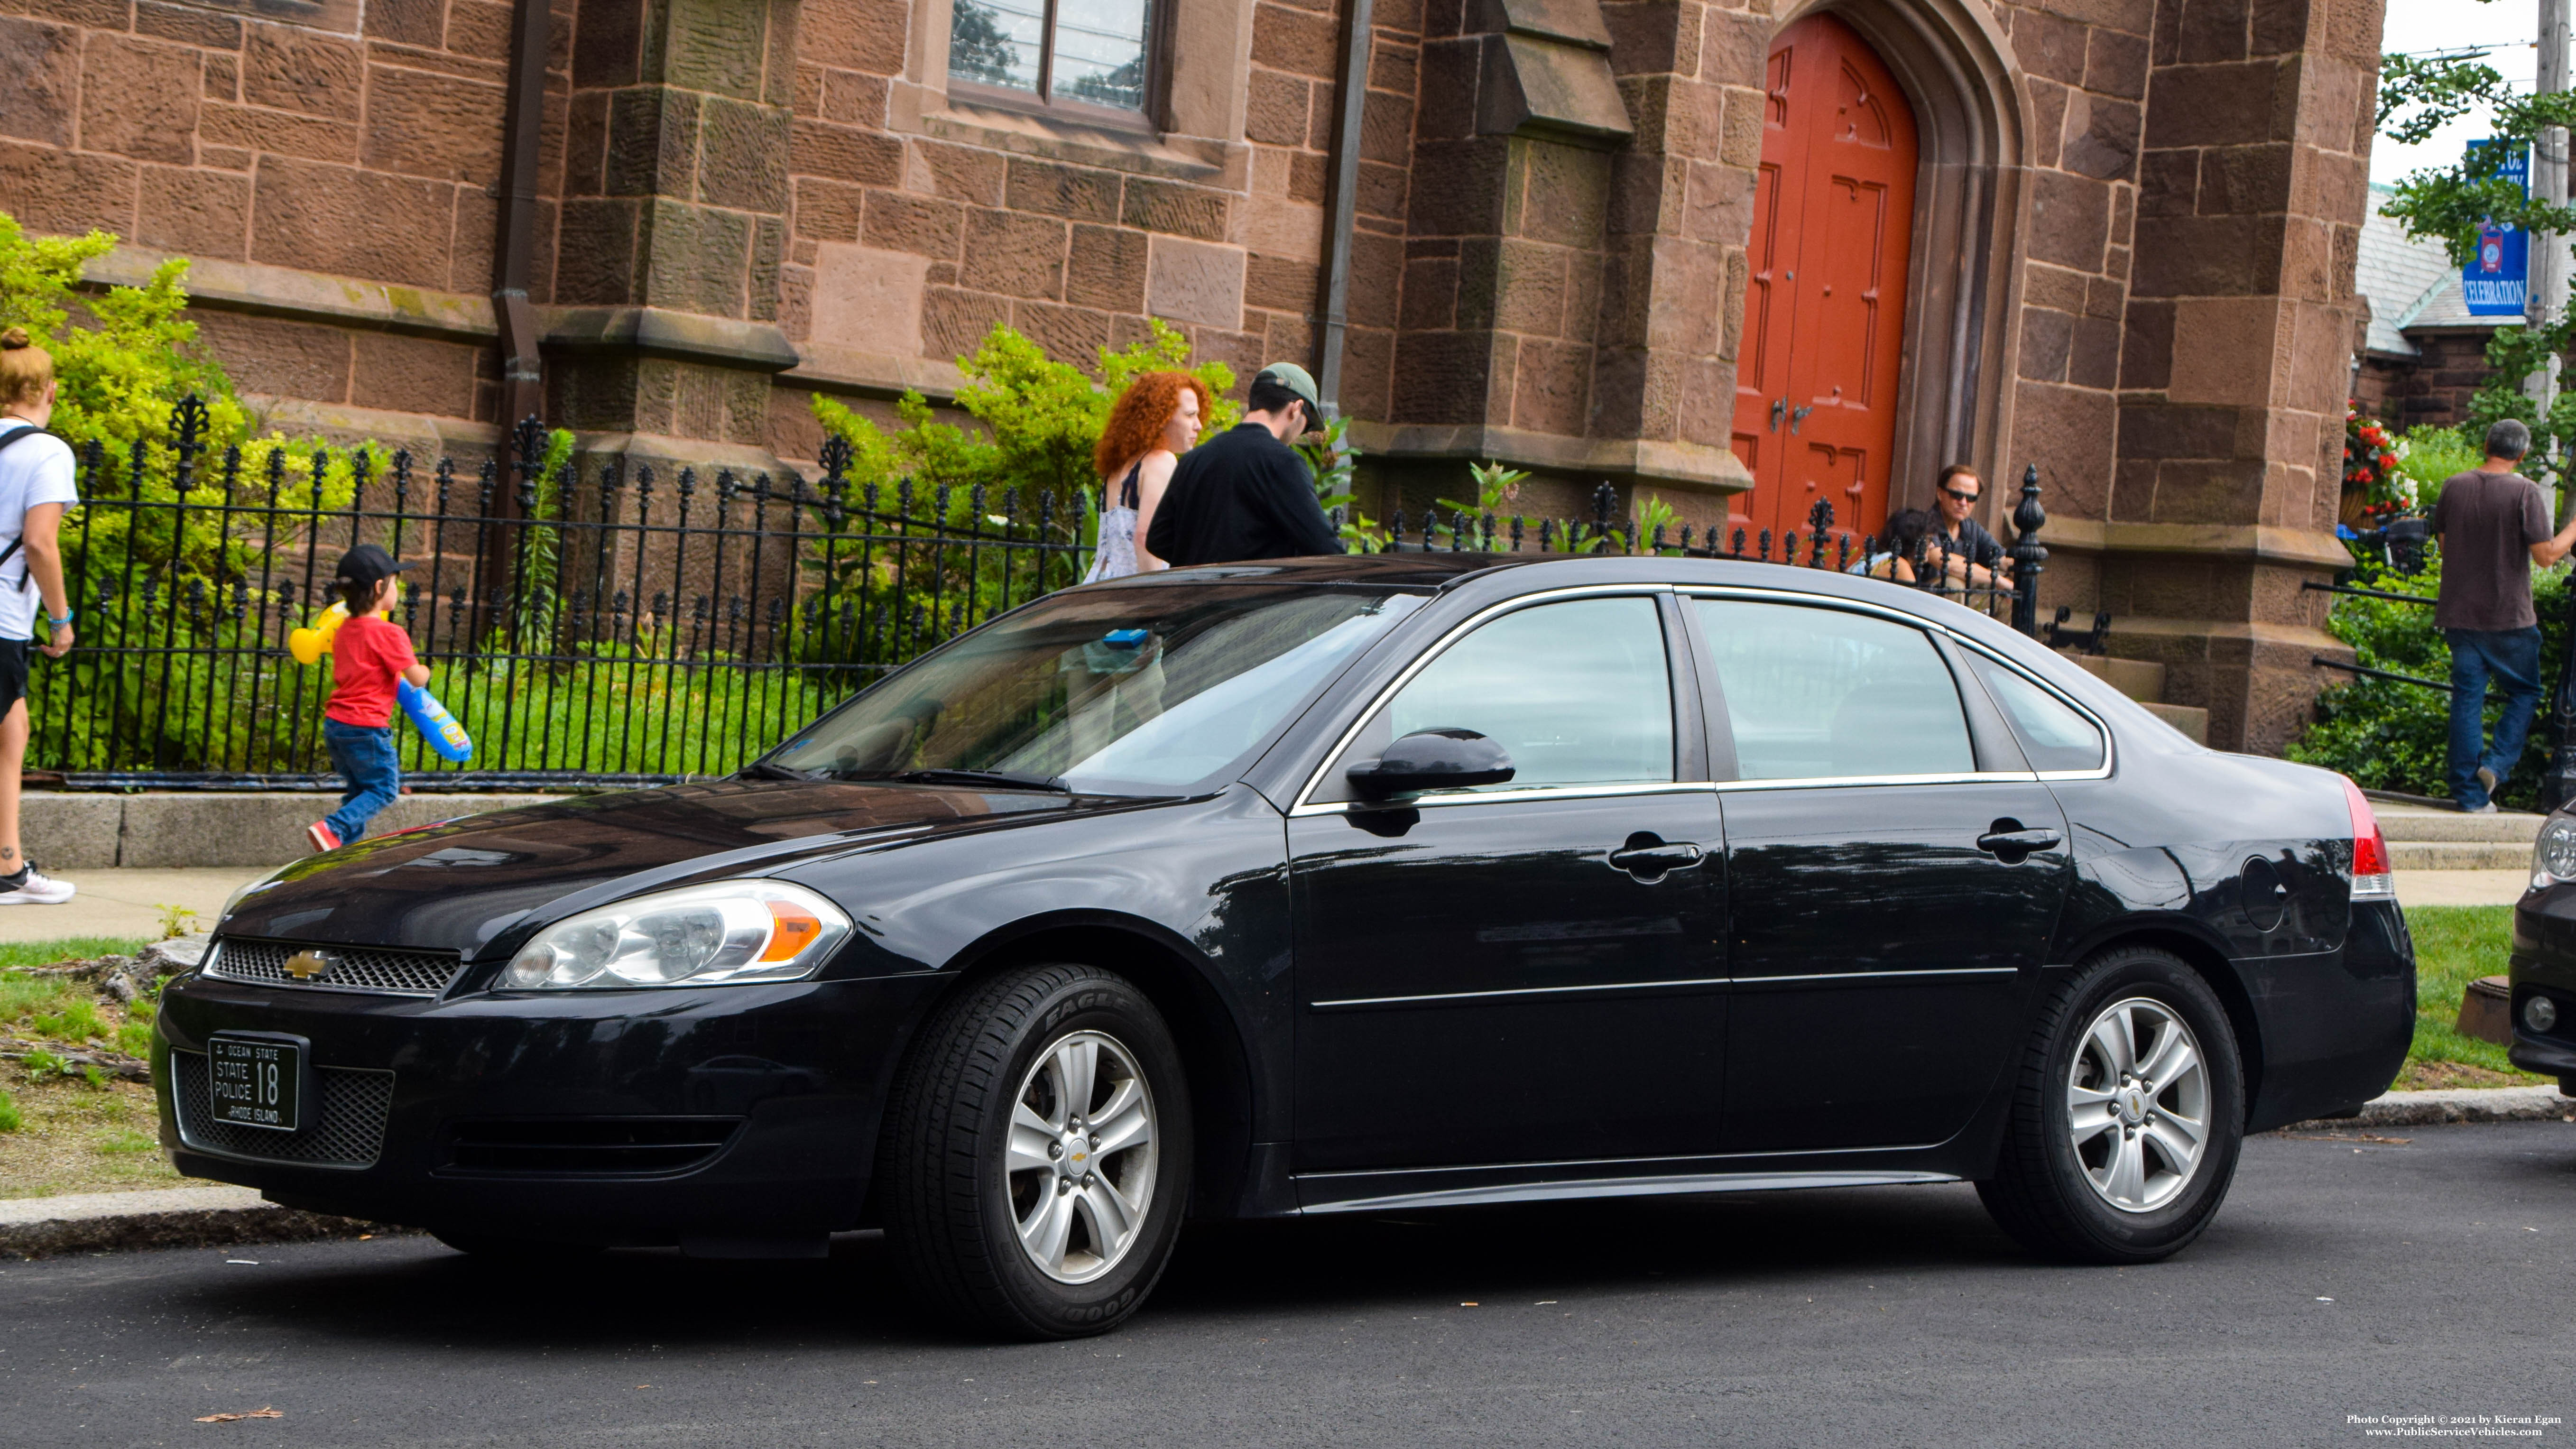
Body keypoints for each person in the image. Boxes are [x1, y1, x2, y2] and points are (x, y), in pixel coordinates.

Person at [2428, 418, 2576, 813]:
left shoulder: (2453, 486)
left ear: (2485, 443)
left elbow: (2445, 544)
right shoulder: (2525, 492)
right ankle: (2495, 765)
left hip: (2459, 613)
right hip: (2509, 616)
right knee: (2526, 692)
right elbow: (2545, 557)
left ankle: (2470, 797)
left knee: (2466, 700)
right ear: (2522, 454)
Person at [0, 329, 78, 905]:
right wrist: (60, 618)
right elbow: (40, 543)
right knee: (10, 738)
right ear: (48, 391)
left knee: (13, 731)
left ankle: (9, 864)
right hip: (3, 616)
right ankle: (7, 867)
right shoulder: (47, 451)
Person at [1144, 362, 1344, 566]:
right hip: (1250, 595)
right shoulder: (1284, 462)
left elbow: (1158, 540)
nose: (1301, 433)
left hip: (1190, 593)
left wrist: (1201, 561)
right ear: (1296, 408)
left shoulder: (1194, 459)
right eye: (1308, 424)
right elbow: (1323, 546)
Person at [307, 544, 432, 852]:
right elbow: (415, 678)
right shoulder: (389, 633)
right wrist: (425, 670)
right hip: (366, 727)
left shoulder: (345, 629)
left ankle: (342, 853)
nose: (399, 589)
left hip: (337, 724)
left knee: (358, 792)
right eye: (395, 582)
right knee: (383, 789)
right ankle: (332, 827)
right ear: (379, 588)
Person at [1085, 371, 1208, 581]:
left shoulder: (1121, 466)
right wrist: (1156, 600)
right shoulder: (1161, 461)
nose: (1199, 425)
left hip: (1101, 587)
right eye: (1189, 415)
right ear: (1161, 418)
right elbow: (1145, 538)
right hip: (1135, 593)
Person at [1927, 464, 2009, 587]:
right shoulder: (1925, 523)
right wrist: (1997, 579)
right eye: (1956, 495)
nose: (1964, 503)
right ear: (1940, 494)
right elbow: (1942, 560)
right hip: (1927, 599)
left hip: (1966, 598)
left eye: (1971, 498)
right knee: (1953, 585)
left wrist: (2018, 567)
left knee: (2011, 588)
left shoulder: (1971, 528)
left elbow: (2002, 560)